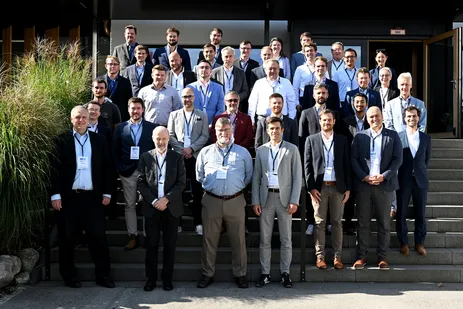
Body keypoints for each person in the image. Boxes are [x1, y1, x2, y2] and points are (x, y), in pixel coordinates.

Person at [50, 106, 114, 289]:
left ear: (90, 119)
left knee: (98, 238)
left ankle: (104, 276)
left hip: (93, 199)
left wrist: (107, 192)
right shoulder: (61, 140)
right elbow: (54, 170)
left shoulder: (99, 140)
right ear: (71, 119)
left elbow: (107, 168)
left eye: (84, 117)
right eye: (77, 117)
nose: (81, 120)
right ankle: (69, 276)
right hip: (68, 199)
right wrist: (55, 194)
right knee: (67, 238)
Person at [195, 117, 253, 289]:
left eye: (227, 130)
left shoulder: (243, 153)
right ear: (215, 132)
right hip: (211, 201)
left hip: (235, 201)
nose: (224, 133)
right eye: (220, 130)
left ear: (232, 131)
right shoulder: (205, 152)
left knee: (238, 240)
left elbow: (248, 176)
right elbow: (199, 176)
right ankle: (207, 274)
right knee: (209, 240)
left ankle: (240, 274)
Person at [252, 116, 302, 288]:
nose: (274, 131)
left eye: (277, 128)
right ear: (267, 131)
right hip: (266, 199)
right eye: (271, 129)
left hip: (284, 199)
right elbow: (256, 177)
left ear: (282, 130)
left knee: (286, 239)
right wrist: (255, 200)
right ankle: (265, 273)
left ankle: (285, 273)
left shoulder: (292, 149)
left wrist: (294, 200)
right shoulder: (261, 151)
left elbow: (297, 177)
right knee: (265, 239)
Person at [351, 106, 402, 270]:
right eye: (371, 117)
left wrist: (384, 176)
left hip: (384, 186)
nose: (374, 119)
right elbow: (354, 159)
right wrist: (364, 177)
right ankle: (362, 257)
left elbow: (397, 160)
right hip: (364, 186)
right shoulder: (359, 136)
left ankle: (382, 257)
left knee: (384, 224)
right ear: (367, 119)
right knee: (363, 223)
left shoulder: (392, 136)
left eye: (377, 116)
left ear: (382, 117)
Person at [138, 126, 186, 292]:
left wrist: (166, 199)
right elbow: (141, 182)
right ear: (153, 138)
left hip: (171, 208)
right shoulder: (145, 157)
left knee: (169, 246)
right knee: (151, 245)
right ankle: (150, 280)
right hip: (152, 208)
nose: (161, 142)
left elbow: (181, 183)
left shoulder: (177, 157)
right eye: (158, 138)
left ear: (168, 139)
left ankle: (167, 280)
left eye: (164, 138)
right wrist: (153, 201)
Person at [304, 110, 351, 269]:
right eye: (324, 120)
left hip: (338, 187)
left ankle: (337, 256)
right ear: (320, 121)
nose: (327, 123)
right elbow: (307, 166)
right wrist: (311, 188)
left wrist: (347, 188)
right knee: (320, 223)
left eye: (329, 120)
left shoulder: (343, 140)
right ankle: (320, 257)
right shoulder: (311, 140)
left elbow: (347, 165)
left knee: (337, 222)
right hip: (319, 188)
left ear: (334, 121)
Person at [112, 97, 157, 251]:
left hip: (147, 172)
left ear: (143, 110)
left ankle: (147, 235)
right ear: (128, 109)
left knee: (147, 203)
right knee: (130, 204)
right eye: (133, 108)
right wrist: (119, 167)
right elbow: (115, 149)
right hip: (128, 171)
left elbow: (157, 150)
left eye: (138, 108)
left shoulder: (152, 128)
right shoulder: (121, 128)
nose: (135, 111)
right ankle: (133, 236)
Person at [167, 87, 209, 235]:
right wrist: (181, 150)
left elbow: (205, 136)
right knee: (177, 192)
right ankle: (177, 223)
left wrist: (191, 149)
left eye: (190, 97)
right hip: (178, 158)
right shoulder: (174, 115)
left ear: (194, 98)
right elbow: (170, 135)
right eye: (184, 97)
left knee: (197, 192)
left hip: (195, 157)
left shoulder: (202, 115)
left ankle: (198, 222)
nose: (187, 99)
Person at [396, 106, 431, 256]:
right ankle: (403, 242)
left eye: (414, 116)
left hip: (420, 180)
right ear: (404, 119)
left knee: (421, 212)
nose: (411, 119)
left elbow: (426, 160)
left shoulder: (426, 138)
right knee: (402, 212)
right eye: (409, 116)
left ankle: (419, 243)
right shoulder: (398, 136)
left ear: (419, 117)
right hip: (403, 180)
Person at [248, 59, 297, 125]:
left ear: (279, 70)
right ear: (265, 70)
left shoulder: (286, 83)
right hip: (262, 121)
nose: (272, 71)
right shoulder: (259, 83)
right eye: (270, 68)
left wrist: (291, 120)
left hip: (282, 120)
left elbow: (291, 102)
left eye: (275, 68)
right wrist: (251, 120)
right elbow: (252, 102)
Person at [187, 59, 225, 125]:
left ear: (211, 71)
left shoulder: (219, 88)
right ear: (197, 71)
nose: (204, 70)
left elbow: (221, 109)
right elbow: (187, 107)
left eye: (207, 68)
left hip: (213, 125)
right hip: (194, 124)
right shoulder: (190, 87)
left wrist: (213, 123)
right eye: (201, 67)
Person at [98, 56, 133, 122]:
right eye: (110, 64)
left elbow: (129, 100)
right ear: (106, 66)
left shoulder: (126, 82)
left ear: (119, 66)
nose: (112, 66)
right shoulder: (98, 80)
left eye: (115, 64)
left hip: (121, 116)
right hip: (102, 115)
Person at [233, 40, 260, 113]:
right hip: (236, 98)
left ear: (251, 50)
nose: (246, 50)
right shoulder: (233, 63)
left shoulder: (255, 64)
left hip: (249, 98)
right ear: (239, 49)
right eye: (243, 48)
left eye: (248, 48)